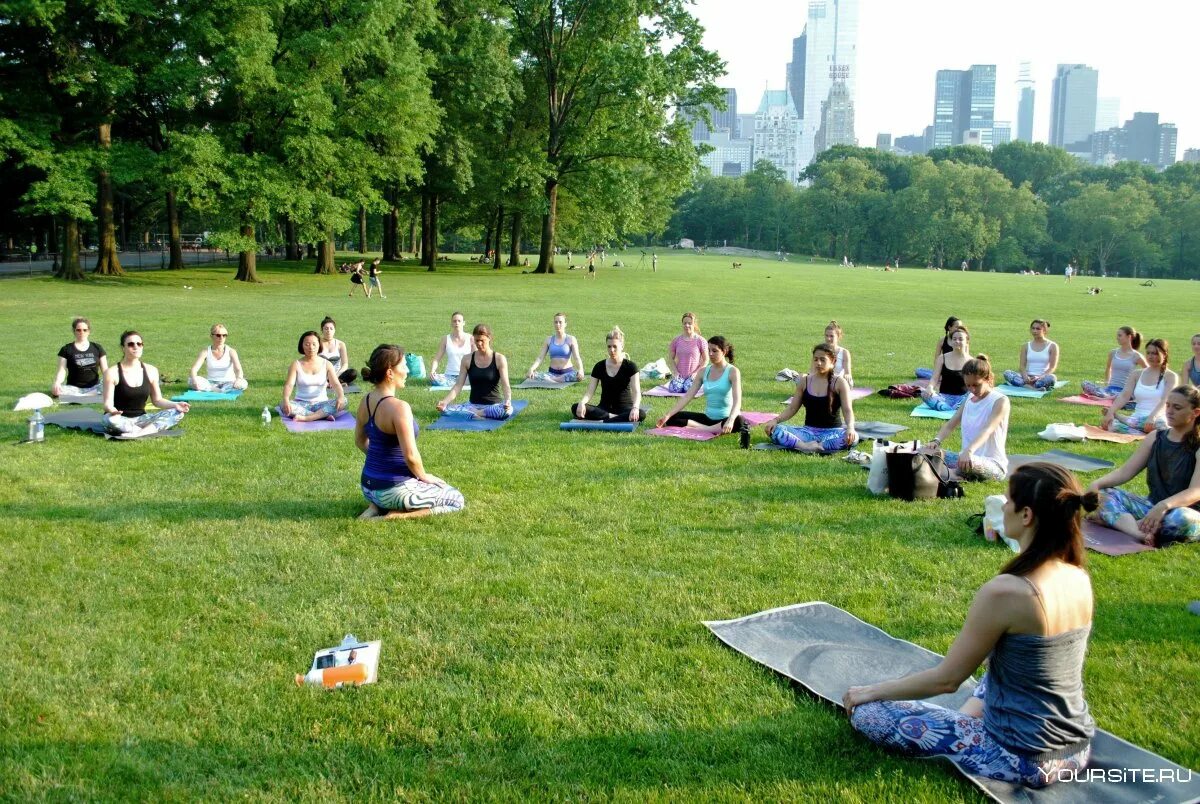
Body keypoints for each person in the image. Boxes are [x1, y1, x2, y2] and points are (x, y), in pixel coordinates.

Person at [845, 462, 1096, 789]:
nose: (1002, 506)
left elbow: (946, 680)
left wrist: (867, 692)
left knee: (870, 713)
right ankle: (969, 719)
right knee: (997, 672)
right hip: (1077, 748)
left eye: (1008, 500)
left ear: (1026, 515)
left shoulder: (1008, 592)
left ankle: (965, 724)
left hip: (1025, 759)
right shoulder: (1078, 576)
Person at [355, 344, 465, 519]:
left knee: (396, 490)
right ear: (390, 373)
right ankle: (395, 516)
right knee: (456, 499)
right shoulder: (399, 408)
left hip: (368, 488)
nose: (407, 371)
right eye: (404, 365)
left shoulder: (365, 401)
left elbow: (360, 442)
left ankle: (375, 507)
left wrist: (379, 462)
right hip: (393, 490)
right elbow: (411, 456)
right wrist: (424, 476)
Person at [1087, 385, 1200, 546]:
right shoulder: (1155, 437)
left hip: (1185, 512)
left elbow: (1196, 491)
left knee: (1178, 520)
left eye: (1177, 407)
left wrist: (1163, 506)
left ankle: (1119, 522)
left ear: (1195, 413)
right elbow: (1126, 471)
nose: (1169, 411)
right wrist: (1096, 484)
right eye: (1168, 405)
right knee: (1104, 495)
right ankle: (1137, 532)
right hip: (1151, 507)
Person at [926, 355, 1010, 481]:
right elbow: (951, 424)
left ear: (987, 379)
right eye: (968, 385)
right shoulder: (969, 398)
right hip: (964, 458)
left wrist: (969, 451)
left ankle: (949, 473)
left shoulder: (1000, 401)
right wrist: (936, 441)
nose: (972, 389)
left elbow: (987, 430)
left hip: (992, 465)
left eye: (976, 385)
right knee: (924, 452)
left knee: (966, 465)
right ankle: (949, 473)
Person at [656, 335, 750, 448]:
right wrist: (668, 415)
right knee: (673, 418)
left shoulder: (733, 372)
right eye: (709, 350)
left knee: (740, 421)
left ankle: (703, 428)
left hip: (724, 419)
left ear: (724, 352)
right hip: (708, 419)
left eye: (714, 351)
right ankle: (707, 429)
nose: (710, 354)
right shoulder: (703, 371)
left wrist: (730, 420)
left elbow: (737, 401)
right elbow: (688, 396)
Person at [763, 343, 858, 452]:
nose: (818, 363)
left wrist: (850, 427)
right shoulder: (805, 381)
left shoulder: (840, 383)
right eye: (816, 359)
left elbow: (847, 410)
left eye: (823, 360)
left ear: (833, 362)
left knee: (853, 437)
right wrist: (775, 420)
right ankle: (805, 446)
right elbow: (792, 408)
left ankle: (817, 445)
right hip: (807, 433)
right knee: (776, 430)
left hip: (833, 432)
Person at [101, 330, 190, 437]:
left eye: (139, 344)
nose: (135, 347)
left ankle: (138, 433)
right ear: (122, 348)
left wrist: (175, 404)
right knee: (108, 419)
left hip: (141, 419)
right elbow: (107, 404)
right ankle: (146, 430)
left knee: (176, 413)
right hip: (120, 419)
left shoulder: (151, 370)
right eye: (130, 344)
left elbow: (157, 400)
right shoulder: (112, 372)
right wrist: (113, 411)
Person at [436, 324, 513, 419]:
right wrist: (445, 402)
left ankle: (476, 414)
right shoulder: (467, 359)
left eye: (482, 340)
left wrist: (507, 400)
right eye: (477, 340)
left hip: (493, 406)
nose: (479, 343)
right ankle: (475, 414)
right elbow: (458, 385)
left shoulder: (499, 359)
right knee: (445, 410)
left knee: (507, 411)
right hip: (472, 405)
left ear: (489, 338)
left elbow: (505, 385)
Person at [1100, 339, 1176, 435]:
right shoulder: (1137, 374)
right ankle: (1129, 423)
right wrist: (1111, 412)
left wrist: (1152, 417)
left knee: (1161, 427)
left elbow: (1165, 400)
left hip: (1157, 419)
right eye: (1148, 353)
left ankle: (1122, 419)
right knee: (1112, 426)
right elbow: (1124, 396)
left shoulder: (1170, 376)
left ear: (1164, 355)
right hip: (1137, 418)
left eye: (1155, 353)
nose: (1151, 356)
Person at [572, 326, 645, 423]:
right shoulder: (599, 366)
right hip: (604, 408)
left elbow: (636, 392)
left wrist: (635, 408)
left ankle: (606, 419)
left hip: (625, 408)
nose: (612, 350)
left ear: (622, 346)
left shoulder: (631, 366)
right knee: (575, 407)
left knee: (641, 413)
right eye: (609, 346)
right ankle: (614, 417)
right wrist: (582, 402)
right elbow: (589, 392)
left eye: (615, 346)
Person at [282, 330, 348, 421]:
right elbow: (289, 385)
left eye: (314, 344)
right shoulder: (296, 364)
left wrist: (340, 396)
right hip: (301, 404)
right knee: (284, 405)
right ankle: (322, 415)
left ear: (319, 345)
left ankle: (307, 418)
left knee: (344, 401)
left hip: (322, 404)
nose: (311, 347)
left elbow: (336, 384)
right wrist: (286, 399)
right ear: (302, 346)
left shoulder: (327, 364)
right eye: (307, 344)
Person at [1081, 326, 1146, 400]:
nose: (1117, 338)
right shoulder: (1113, 352)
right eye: (1117, 335)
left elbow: (1149, 370)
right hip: (1109, 389)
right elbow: (1108, 368)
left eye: (1120, 335)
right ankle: (1107, 396)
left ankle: (1107, 397)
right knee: (1085, 383)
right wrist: (1107, 382)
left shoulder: (1136, 356)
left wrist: (1137, 385)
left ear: (1129, 337)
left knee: (1124, 395)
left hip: (1125, 391)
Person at [53, 317, 108, 398]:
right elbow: (62, 370)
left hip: (95, 387)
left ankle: (84, 395)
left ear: (89, 331)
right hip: (73, 388)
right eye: (78, 330)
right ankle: (85, 395)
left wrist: (112, 383)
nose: (81, 332)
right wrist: (57, 382)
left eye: (84, 330)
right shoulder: (66, 349)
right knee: (56, 390)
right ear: (74, 331)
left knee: (111, 387)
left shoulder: (97, 348)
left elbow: (105, 370)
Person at [920, 325, 971, 412]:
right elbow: (934, 379)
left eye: (960, 339)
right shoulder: (942, 358)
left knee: (973, 396)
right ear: (951, 341)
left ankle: (950, 408)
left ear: (966, 342)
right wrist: (930, 387)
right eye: (954, 339)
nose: (957, 341)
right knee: (923, 393)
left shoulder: (971, 361)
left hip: (963, 398)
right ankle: (955, 409)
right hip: (943, 398)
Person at [188, 323, 248, 392]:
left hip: (229, 383)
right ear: (211, 336)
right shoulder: (205, 352)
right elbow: (194, 369)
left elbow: (238, 370)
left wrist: (239, 379)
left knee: (243, 383)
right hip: (211, 383)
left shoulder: (231, 351)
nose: (221, 338)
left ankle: (217, 390)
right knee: (190, 380)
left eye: (224, 335)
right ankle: (218, 390)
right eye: (218, 335)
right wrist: (194, 380)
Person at [526, 313, 584, 383]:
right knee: (533, 375)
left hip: (567, 373)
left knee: (578, 376)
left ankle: (554, 380)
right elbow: (540, 358)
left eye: (560, 322)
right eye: (556, 322)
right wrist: (531, 369)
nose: (558, 325)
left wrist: (581, 369)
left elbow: (577, 357)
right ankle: (555, 380)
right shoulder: (548, 340)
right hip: (551, 373)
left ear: (565, 324)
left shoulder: (571, 339)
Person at [1003, 319, 1059, 389]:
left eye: (1038, 329)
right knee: (1007, 373)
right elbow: (1022, 366)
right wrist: (1025, 377)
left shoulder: (1052, 346)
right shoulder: (1025, 346)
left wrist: (1040, 377)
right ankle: (1032, 387)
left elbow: (1052, 367)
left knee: (1052, 378)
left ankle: (1032, 386)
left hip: (1042, 377)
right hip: (1027, 377)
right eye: (1033, 328)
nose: (1035, 331)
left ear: (1044, 330)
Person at [666, 312, 708, 393]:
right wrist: (675, 372)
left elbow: (706, 360)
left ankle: (698, 383)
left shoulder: (700, 340)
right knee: (674, 389)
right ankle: (681, 383)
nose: (687, 325)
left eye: (690, 323)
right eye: (685, 323)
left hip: (694, 376)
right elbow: (670, 358)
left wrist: (696, 374)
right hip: (680, 375)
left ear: (694, 324)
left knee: (688, 389)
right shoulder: (676, 340)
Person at [429, 312, 473, 387]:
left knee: (479, 379)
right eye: (454, 321)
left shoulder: (471, 338)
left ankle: (457, 383)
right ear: (451, 323)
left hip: (466, 375)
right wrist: (432, 371)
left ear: (464, 323)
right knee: (434, 379)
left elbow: (477, 357)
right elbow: (437, 359)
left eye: (459, 321)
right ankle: (457, 383)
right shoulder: (445, 339)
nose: (457, 323)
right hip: (449, 375)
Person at [317, 316, 358, 387]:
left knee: (353, 373)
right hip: (321, 375)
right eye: (326, 329)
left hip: (337, 374)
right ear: (322, 330)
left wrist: (335, 377)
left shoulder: (340, 344)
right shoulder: (317, 344)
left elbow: (345, 364)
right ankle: (336, 383)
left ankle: (333, 382)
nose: (328, 331)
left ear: (334, 330)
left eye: (331, 328)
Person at [823, 320, 854, 388]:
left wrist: (847, 376)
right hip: (822, 380)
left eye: (831, 336)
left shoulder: (844, 353)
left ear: (838, 337)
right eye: (826, 335)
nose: (828, 338)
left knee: (849, 382)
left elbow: (848, 373)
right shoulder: (820, 351)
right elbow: (813, 370)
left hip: (838, 382)